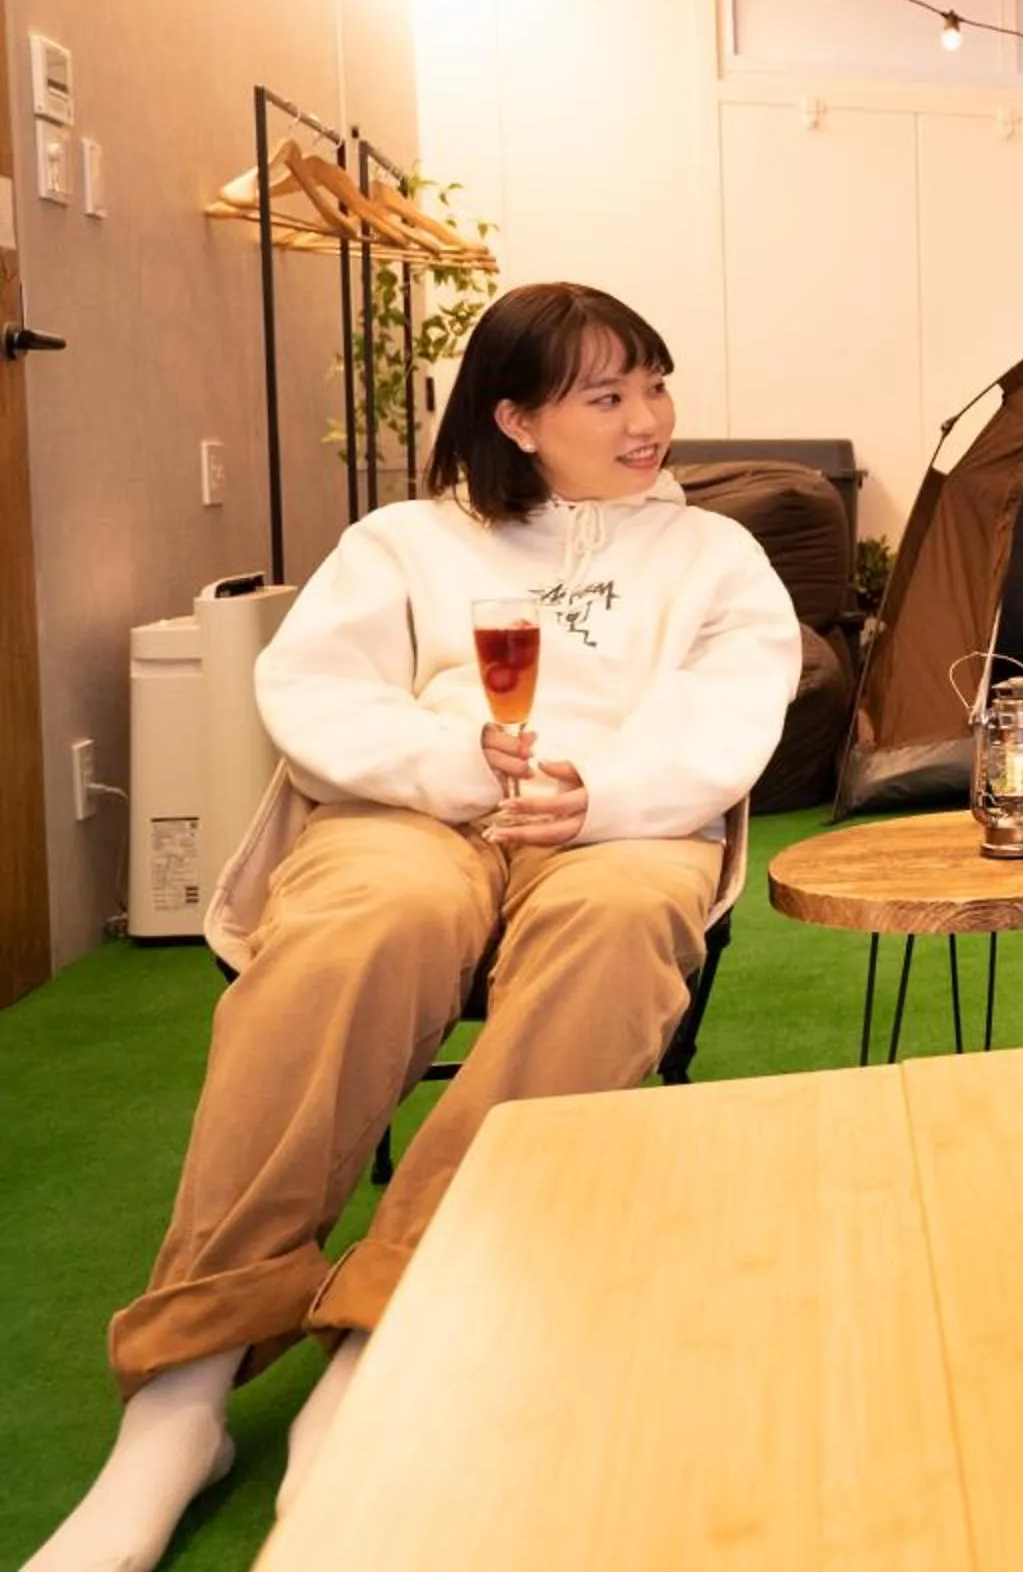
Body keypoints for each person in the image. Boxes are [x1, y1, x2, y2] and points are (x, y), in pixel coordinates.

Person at [29, 283, 798, 1572]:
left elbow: (729, 719)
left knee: (616, 931)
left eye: (653, 384)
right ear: (515, 415)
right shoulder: (405, 541)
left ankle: (393, 1328)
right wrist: (460, 766)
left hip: (617, 824)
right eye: (604, 394)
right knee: (364, 918)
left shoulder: (712, 556)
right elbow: (316, 687)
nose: (645, 417)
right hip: (417, 809)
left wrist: (596, 793)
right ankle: (181, 1388)